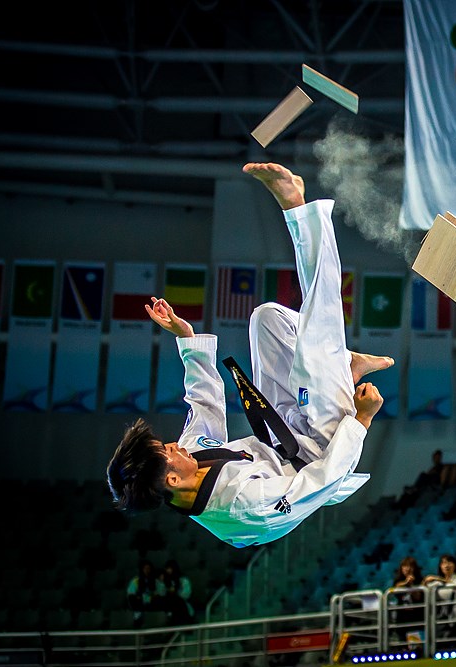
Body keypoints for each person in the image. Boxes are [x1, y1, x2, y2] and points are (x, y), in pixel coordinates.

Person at [106, 162, 390, 547]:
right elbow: (323, 481)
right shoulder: (246, 508)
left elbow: (204, 403)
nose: (175, 444)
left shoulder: (186, 462)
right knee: (319, 335)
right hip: (325, 452)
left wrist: (186, 338)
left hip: (283, 430)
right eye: (168, 450)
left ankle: (340, 364)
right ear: (171, 479)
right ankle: (297, 207)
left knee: (267, 319)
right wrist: (361, 419)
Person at [423, 554, 456, 640]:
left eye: (449, 562)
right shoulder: (437, 583)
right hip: (442, 621)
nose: (447, 565)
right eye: (443, 563)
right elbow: (424, 588)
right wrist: (426, 581)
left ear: (455, 565)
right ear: (440, 566)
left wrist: (439, 579)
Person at [389, 556, 425, 648]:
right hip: (402, 619)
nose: (407, 569)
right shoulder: (398, 580)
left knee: (417, 648)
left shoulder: (420, 580)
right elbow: (396, 587)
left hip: (416, 619)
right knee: (403, 646)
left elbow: (418, 597)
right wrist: (406, 583)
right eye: (405, 566)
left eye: (410, 566)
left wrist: (411, 585)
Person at [127, 559, 165, 626]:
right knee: (133, 598)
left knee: (159, 600)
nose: (147, 570)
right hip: (140, 604)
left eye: (148, 568)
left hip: (152, 605)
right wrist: (146, 598)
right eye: (145, 568)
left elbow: (160, 594)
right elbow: (131, 594)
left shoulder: (156, 581)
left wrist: (149, 598)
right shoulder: (135, 581)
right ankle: (137, 616)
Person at [160, 559, 195, 625]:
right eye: (167, 569)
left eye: (169, 568)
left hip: (182, 606)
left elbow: (186, 594)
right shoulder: (164, 580)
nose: (168, 571)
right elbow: (161, 593)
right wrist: (162, 583)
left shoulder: (183, 580)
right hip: (168, 605)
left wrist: (175, 593)